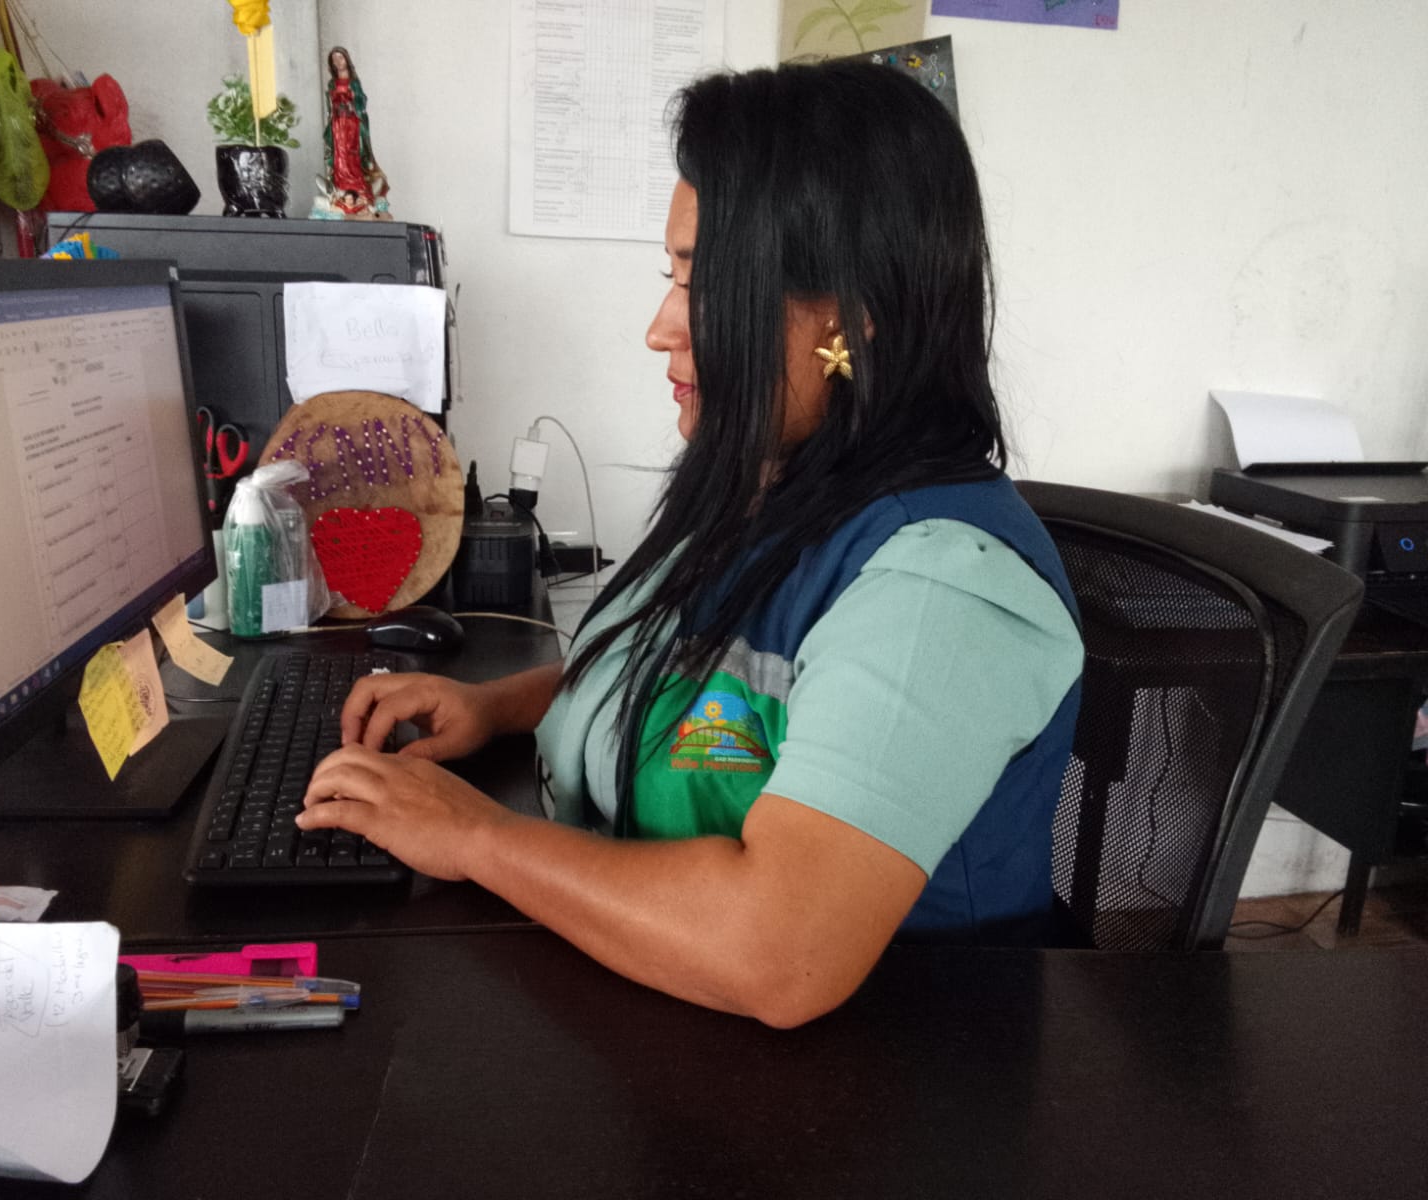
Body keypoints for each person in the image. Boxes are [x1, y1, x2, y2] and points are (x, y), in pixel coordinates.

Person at [297, 60, 1084, 1028]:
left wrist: (473, 837)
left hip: (873, 1076)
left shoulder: (938, 589)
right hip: (658, 1013)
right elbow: (695, 675)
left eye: (703, 284)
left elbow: (779, 956)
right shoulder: (776, 485)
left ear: (849, 314)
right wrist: (498, 707)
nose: (660, 329)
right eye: (670, 278)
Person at [322, 46, 390, 217]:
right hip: (338, 123)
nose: (338, 62)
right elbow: (329, 104)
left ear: (347, 59)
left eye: (341, 58)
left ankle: (356, 185)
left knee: (352, 154)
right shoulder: (332, 83)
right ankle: (341, 186)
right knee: (340, 156)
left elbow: (362, 100)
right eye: (334, 59)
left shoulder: (353, 82)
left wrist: (352, 99)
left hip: (351, 123)